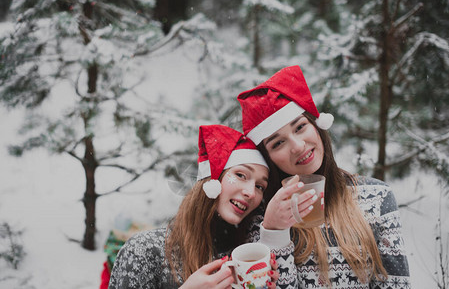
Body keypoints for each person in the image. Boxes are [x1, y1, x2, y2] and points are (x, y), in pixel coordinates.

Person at [237, 65, 410, 288]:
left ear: (317, 126)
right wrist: (274, 233)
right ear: (268, 158)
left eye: (300, 127)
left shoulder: (377, 198)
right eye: (278, 143)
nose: (298, 146)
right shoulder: (261, 217)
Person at [108, 125, 281, 288]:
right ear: (212, 180)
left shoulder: (247, 258)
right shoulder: (145, 251)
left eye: (260, 186)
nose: (251, 192)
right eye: (241, 175)